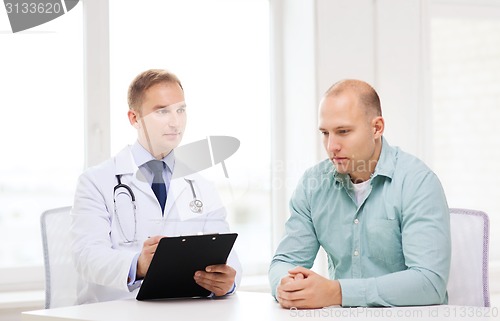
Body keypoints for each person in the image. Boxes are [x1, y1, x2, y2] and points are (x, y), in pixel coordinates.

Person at [268, 79, 451, 308]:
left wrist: (339, 293)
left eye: (343, 131)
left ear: (377, 128)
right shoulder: (313, 184)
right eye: (325, 133)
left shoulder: (418, 182)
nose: (331, 146)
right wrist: (286, 286)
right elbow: (284, 261)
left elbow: (429, 283)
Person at [70, 69, 242, 304]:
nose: (175, 122)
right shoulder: (96, 181)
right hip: (114, 311)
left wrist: (226, 282)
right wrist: (138, 265)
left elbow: (230, 258)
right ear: (134, 118)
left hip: (183, 311)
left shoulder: (202, 186)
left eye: (180, 110)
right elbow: (86, 257)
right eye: (162, 111)